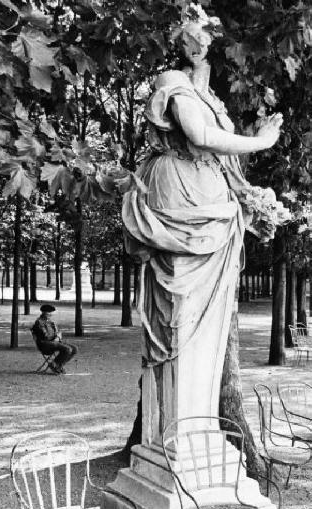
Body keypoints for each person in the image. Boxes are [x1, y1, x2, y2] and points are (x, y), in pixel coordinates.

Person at [121, 11, 282, 453]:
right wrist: (260, 142)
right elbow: (197, 133)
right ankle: (175, 443)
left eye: (206, 37)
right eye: (196, 37)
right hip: (182, 197)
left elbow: (217, 149)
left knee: (202, 321)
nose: (203, 44)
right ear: (184, 45)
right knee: (179, 314)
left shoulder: (206, 92)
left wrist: (247, 196)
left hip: (209, 199)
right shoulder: (173, 80)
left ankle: (197, 438)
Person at [31, 304, 78, 373]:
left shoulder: (50, 322)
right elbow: (46, 336)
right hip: (45, 345)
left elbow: (58, 332)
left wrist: (58, 337)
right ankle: (54, 364)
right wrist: (56, 337)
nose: (50, 314)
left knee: (74, 348)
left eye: (51, 312)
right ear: (43, 312)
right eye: (49, 312)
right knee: (67, 349)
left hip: (54, 342)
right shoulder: (39, 322)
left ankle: (59, 365)